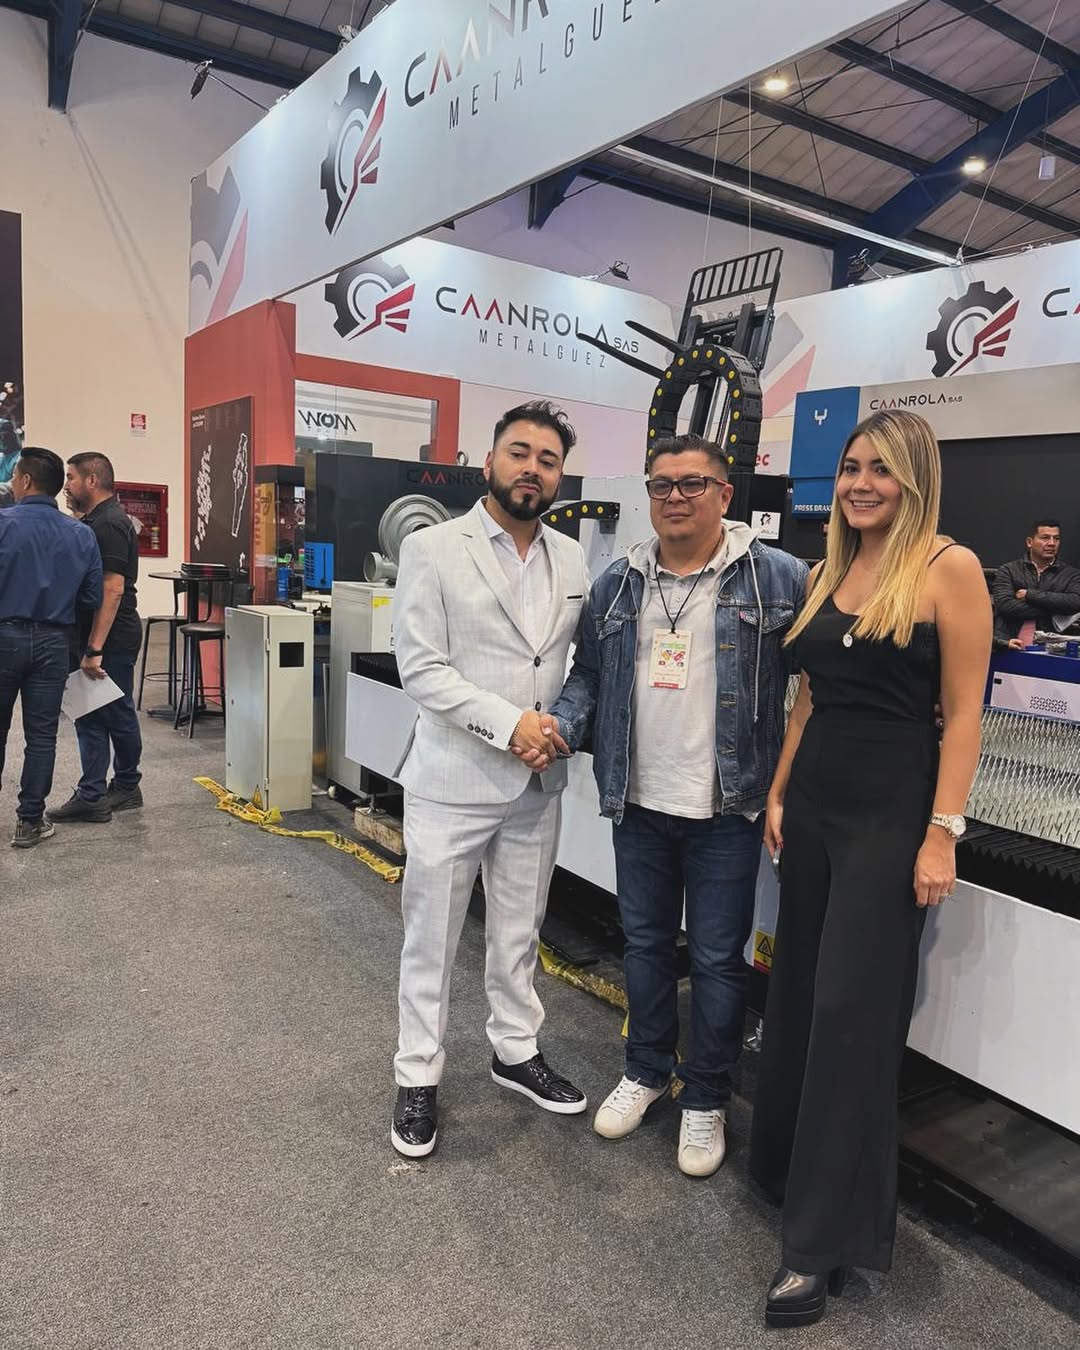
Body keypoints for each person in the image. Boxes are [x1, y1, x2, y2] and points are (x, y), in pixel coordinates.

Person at [749, 410, 991, 1328]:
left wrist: (942, 833)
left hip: (891, 816)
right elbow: (809, 700)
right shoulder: (826, 569)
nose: (859, 484)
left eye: (880, 470)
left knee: (852, 1017)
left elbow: (963, 717)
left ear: (914, 478)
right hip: (813, 803)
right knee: (799, 996)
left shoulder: (950, 568)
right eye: (851, 467)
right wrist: (780, 791)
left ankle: (819, 1246)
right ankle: (784, 1176)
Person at [536, 433, 807, 1177]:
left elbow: (823, 674)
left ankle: (706, 1096)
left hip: (728, 807)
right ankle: (647, 1070)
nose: (675, 497)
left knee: (718, 959)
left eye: (693, 484)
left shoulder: (777, 577)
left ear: (725, 494)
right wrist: (560, 726)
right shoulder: (618, 582)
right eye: (662, 485)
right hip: (639, 801)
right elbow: (588, 676)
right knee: (646, 945)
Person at [390, 401, 590, 1158]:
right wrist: (510, 725)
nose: (532, 468)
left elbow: (568, 662)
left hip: (537, 785)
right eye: (519, 452)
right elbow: (422, 668)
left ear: (559, 476)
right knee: (431, 937)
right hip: (455, 779)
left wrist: (555, 726)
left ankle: (515, 1050)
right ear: (489, 462)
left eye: (547, 459)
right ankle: (417, 1073)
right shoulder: (433, 548)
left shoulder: (571, 558)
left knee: (518, 932)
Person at [0, 448, 102, 848]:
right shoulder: (81, 534)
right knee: (41, 736)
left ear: (25, 481)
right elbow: (91, 596)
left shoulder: (3, 524)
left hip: (3, 637)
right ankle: (29, 822)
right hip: (54, 642)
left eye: (14, 477)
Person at [49, 453, 144, 822]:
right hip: (92, 636)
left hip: (110, 639)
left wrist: (95, 648)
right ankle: (94, 791)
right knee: (89, 713)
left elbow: (112, 589)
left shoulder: (110, 524)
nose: (66, 485)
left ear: (92, 480)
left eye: (71, 477)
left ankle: (125, 785)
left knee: (115, 713)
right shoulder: (93, 521)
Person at [991, 518, 1080, 649]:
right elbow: (1005, 605)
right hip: (1009, 646)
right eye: (1045, 538)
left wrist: (1030, 595)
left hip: (1053, 651)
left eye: (1056, 538)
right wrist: (1057, 608)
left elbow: (1075, 603)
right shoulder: (1009, 570)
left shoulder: (1071, 575)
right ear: (1029, 542)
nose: (1052, 543)